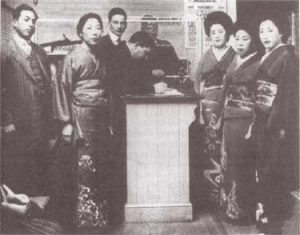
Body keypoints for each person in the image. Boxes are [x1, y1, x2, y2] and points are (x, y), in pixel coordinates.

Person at [54, 13, 109, 231]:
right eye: (90, 28)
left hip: (101, 116)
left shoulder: (100, 56)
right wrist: (66, 122)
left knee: (100, 165)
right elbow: (62, 89)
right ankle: (84, 221)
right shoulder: (72, 57)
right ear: (80, 32)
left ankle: (98, 219)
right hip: (81, 116)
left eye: (98, 27)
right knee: (84, 165)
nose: (95, 31)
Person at [1, 3, 55, 200]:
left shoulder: (40, 52)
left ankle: (39, 225)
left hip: (41, 127)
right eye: (26, 20)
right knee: (19, 179)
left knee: (40, 179)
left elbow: (48, 90)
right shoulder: (5, 51)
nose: (31, 24)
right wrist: (6, 121)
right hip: (17, 128)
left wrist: (50, 128)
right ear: (14, 23)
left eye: (34, 21)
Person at [253, 11, 298, 234]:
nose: (265, 35)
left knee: (273, 170)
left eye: (270, 30)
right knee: (263, 169)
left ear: (282, 32)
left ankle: (272, 224)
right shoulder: (267, 54)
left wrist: (277, 124)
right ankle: (264, 220)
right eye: (261, 31)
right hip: (262, 119)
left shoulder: (288, 55)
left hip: (276, 122)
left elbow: (287, 94)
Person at [218, 20, 262, 224]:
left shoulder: (258, 62)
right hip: (229, 118)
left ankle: (244, 212)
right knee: (230, 163)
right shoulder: (233, 59)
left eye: (245, 38)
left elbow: (260, 100)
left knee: (243, 165)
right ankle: (231, 209)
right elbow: (224, 90)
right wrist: (219, 116)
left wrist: (254, 122)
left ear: (253, 41)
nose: (240, 43)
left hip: (245, 120)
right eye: (236, 38)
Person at [193, 11, 235, 206]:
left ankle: (228, 195)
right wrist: (200, 101)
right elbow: (196, 80)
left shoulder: (234, 54)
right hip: (209, 105)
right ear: (209, 35)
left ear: (227, 33)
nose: (217, 35)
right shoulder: (206, 56)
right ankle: (212, 194)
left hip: (229, 104)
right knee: (211, 144)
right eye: (213, 32)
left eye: (221, 31)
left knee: (228, 146)